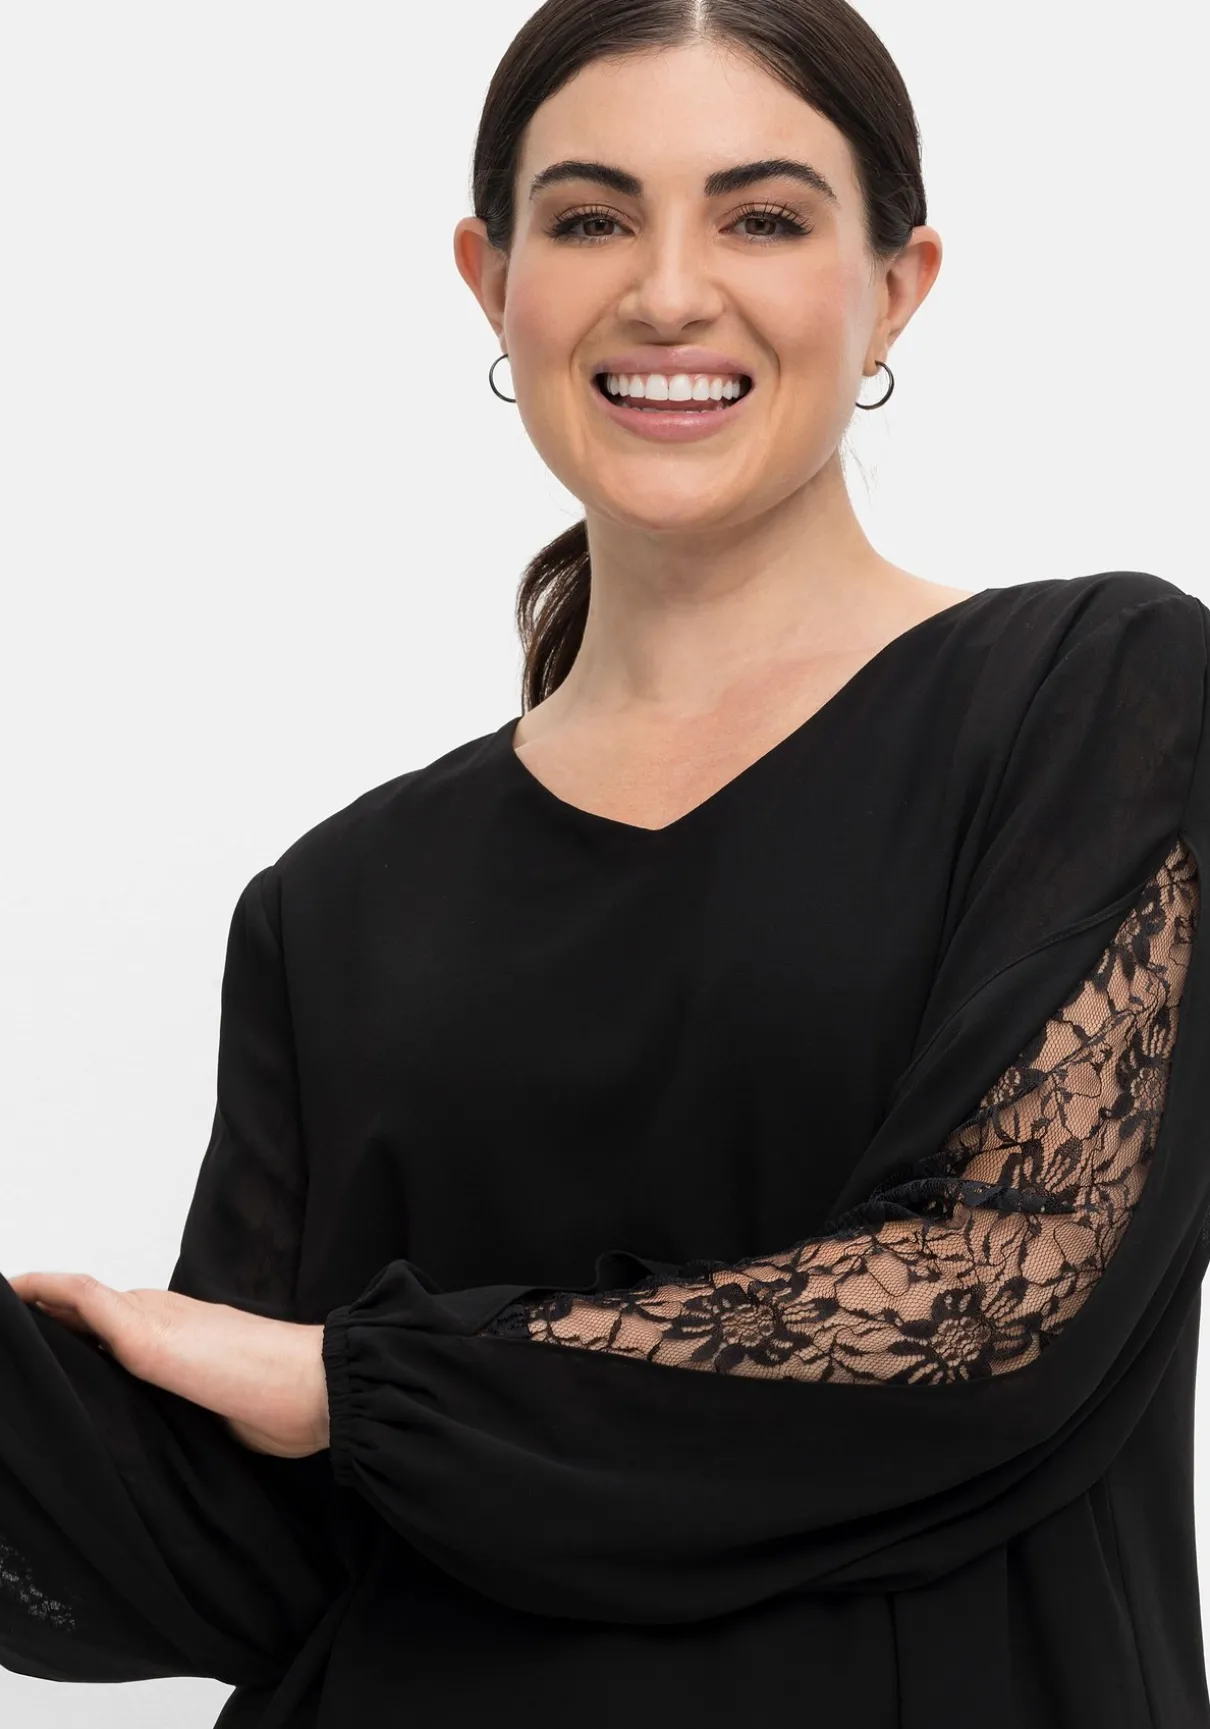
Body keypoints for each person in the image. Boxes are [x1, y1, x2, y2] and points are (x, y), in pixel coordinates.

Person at [2, 2, 1208, 1725]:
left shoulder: (1096, 698)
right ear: (491, 279)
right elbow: (256, 1542)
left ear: (897, 285)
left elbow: (997, 1303)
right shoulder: (332, 903)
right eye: (588, 220)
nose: (666, 291)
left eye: (760, 216)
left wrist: (361, 1383)